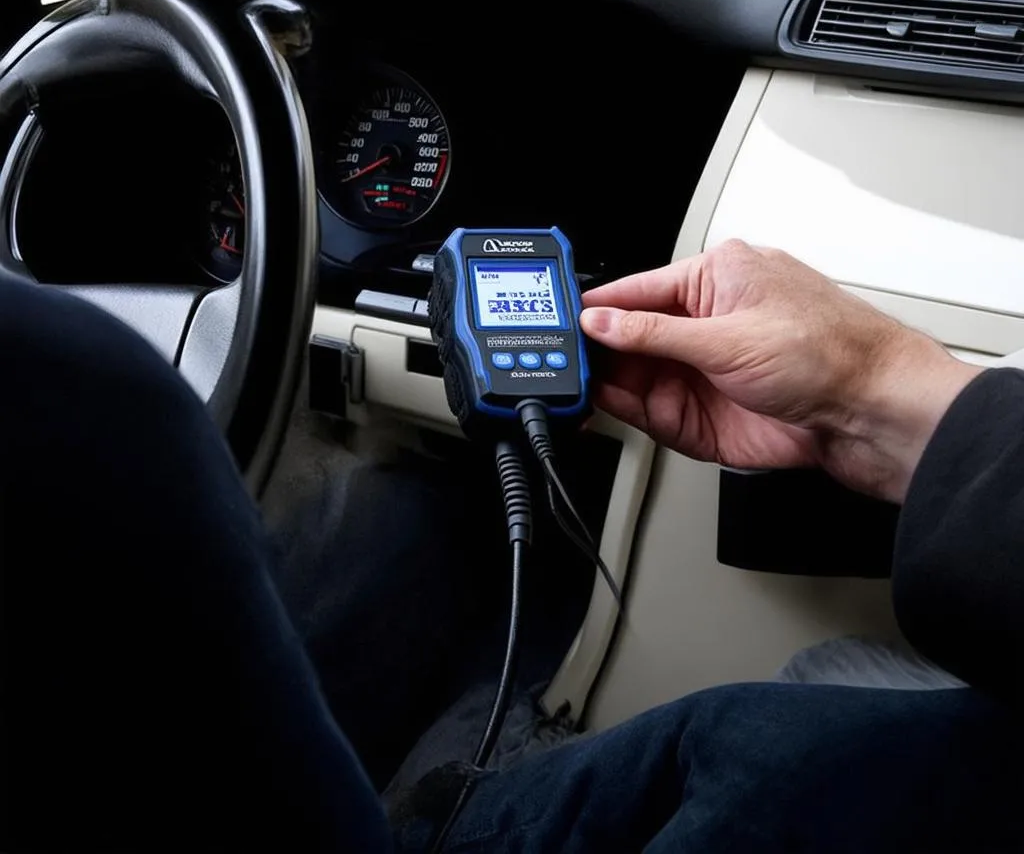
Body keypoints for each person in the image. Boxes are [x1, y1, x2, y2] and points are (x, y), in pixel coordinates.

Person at [2, 239, 1021, 852]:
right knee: (739, 736)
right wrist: (879, 398)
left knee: (749, 746)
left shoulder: (83, 392)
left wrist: (879, 392)